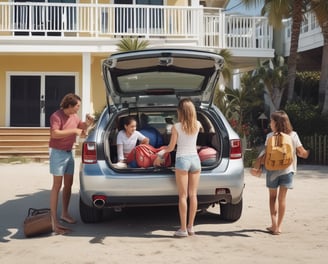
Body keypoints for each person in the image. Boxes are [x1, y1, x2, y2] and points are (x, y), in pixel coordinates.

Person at [154, 98, 202, 237]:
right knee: (193, 195)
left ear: (181, 111)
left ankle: (183, 229)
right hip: (195, 160)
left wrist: (160, 153)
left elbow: (171, 147)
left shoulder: (176, 127)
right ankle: (191, 227)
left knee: (183, 196)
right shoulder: (198, 124)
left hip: (182, 160)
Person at [49, 93, 94, 235]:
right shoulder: (56, 116)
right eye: (77, 106)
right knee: (57, 186)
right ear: (69, 105)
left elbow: (82, 128)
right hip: (57, 153)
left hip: (70, 153)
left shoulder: (74, 117)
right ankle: (53, 219)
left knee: (68, 184)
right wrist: (75, 131)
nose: (78, 109)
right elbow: (54, 134)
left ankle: (65, 213)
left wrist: (88, 123)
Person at [265, 110, 309, 235]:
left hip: (272, 171)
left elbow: (265, 155)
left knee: (272, 198)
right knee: (282, 199)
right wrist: (306, 153)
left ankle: (273, 224)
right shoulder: (293, 135)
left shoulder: (269, 136)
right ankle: (279, 227)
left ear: (276, 123)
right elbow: (302, 153)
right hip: (287, 170)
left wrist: (256, 167)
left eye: (271, 121)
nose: (270, 123)